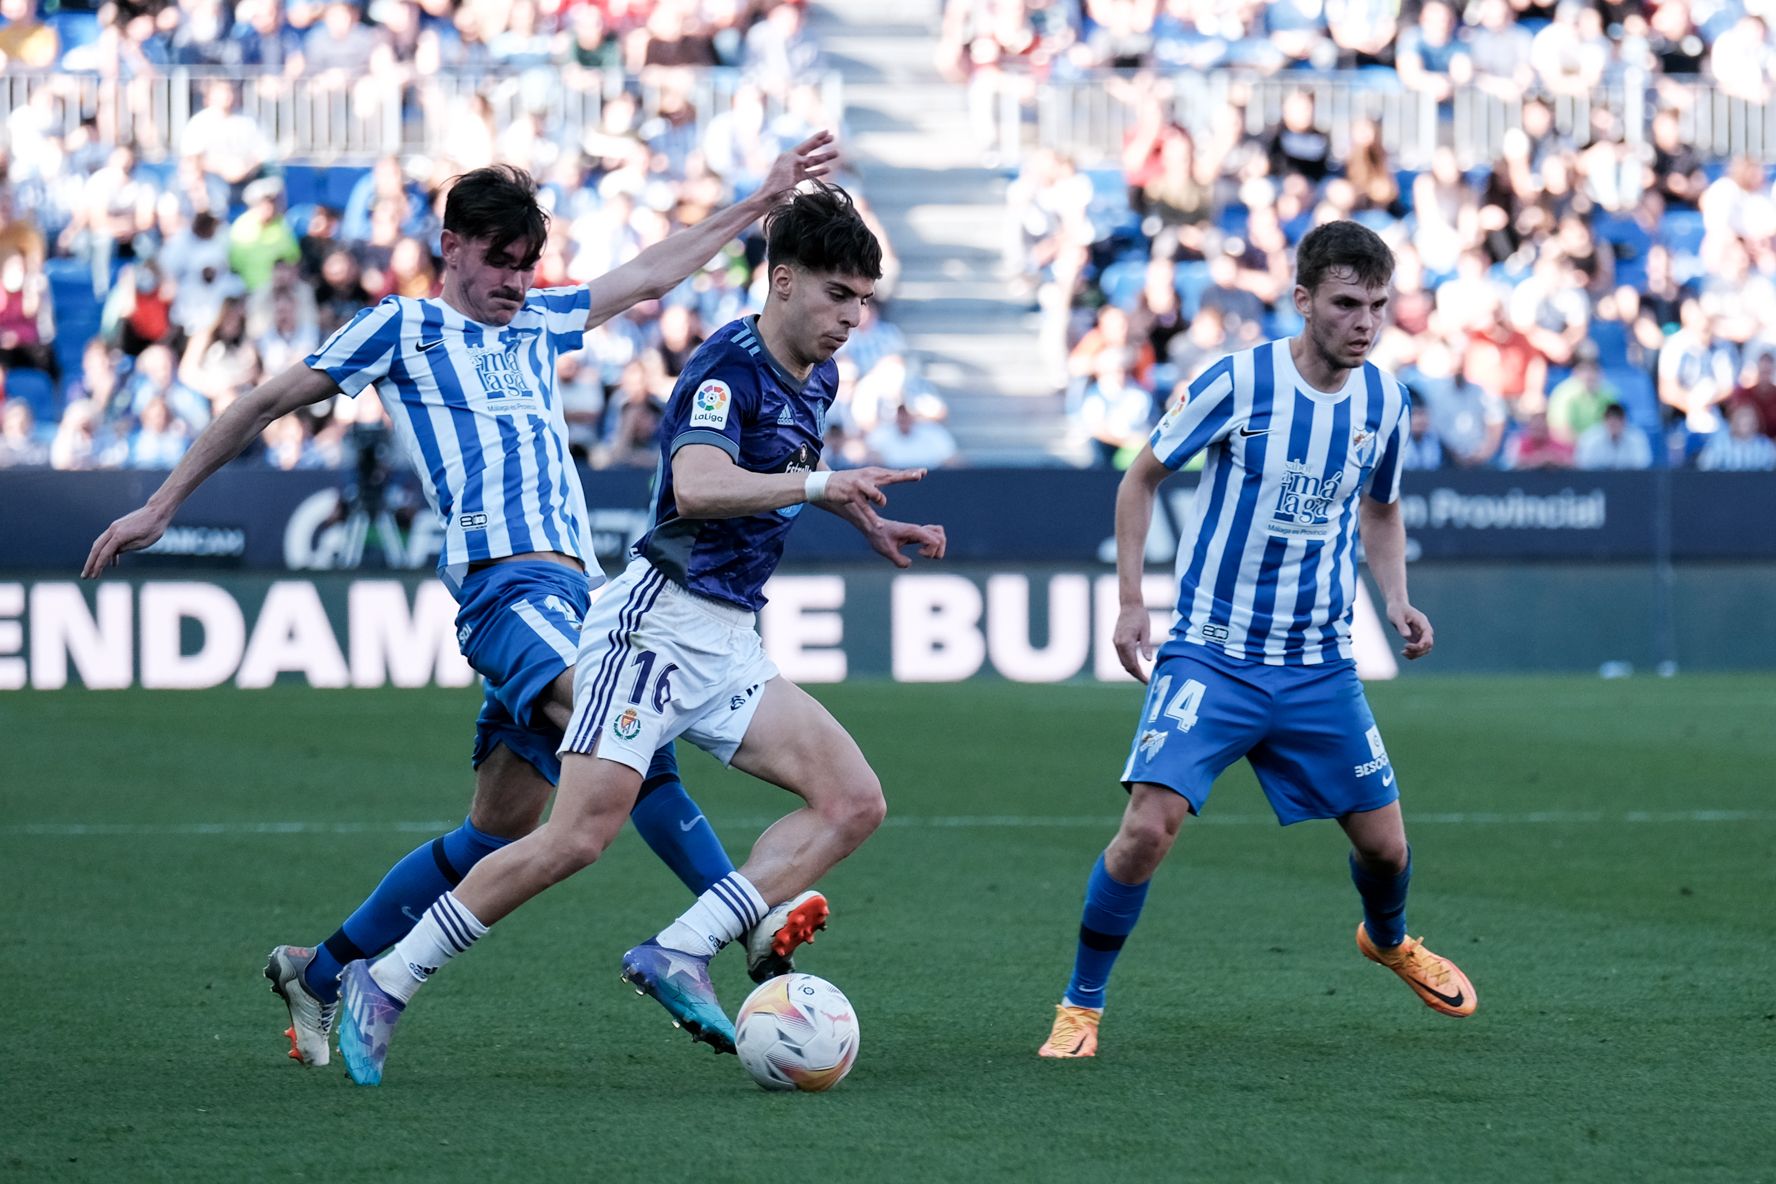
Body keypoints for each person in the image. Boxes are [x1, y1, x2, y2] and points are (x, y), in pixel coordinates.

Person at [82, 136, 841, 1072]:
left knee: (497, 828)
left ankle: (320, 970)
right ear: (450, 246)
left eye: (527, 265)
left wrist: (757, 202)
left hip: (582, 595)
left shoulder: (538, 324)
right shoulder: (398, 329)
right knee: (627, 739)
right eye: (498, 263)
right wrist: (162, 503)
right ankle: (734, 928)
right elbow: (265, 402)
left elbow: (646, 274)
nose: (515, 282)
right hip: (504, 590)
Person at [331, 182, 947, 1086]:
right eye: (836, 294)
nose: (853, 317)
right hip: (649, 628)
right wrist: (823, 488)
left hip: (729, 638)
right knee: (575, 838)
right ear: (781, 283)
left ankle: (683, 950)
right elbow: (700, 486)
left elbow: (796, 473)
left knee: (853, 801)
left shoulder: (820, 376)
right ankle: (384, 981)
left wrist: (866, 520)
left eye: (863, 299)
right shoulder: (724, 366)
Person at [1037, 221, 1477, 1061]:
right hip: (1213, 651)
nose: (1365, 322)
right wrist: (1132, 601)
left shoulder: (1386, 401)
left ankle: (1388, 939)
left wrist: (1396, 597)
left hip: (1319, 662)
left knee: (1386, 847)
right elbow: (1141, 477)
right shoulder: (1238, 383)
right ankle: (1081, 1006)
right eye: (1347, 304)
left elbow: (1380, 507)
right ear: (1303, 299)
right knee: (1147, 828)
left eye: (1379, 306)